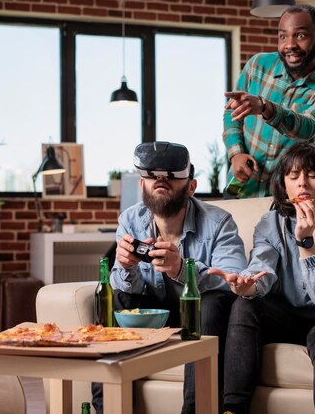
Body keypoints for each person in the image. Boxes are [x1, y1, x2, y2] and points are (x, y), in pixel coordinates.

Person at [209, 143, 315, 414]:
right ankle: (233, 410)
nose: (303, 184)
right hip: (288, 316)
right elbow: (261, 266)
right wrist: (249, 285)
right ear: (284, 185)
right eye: (293, 176)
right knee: (244, 305)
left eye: (312, 175)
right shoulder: (270, 223)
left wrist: (306, 243)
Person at [92, 141, 247, 414]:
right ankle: (107, 409)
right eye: (152, 177)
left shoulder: (220, 221)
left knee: (212, 302)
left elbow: (233, 280)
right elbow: (125, 286)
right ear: (142, 185)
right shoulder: (130, 219)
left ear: (191, 187)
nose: (160, 182)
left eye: (171, 178)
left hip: (199, 316)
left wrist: (181, 270)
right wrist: (126, 267)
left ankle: (195, 409)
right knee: (115, 298)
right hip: (155, 314)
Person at [222, 4, 315, 199]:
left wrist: (266, 108)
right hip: (241, 187)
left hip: (290, 196)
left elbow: (307, 127)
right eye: (283, 36)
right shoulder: (257, 65)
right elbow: (231, 114)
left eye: (300, 36)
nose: (289, 44)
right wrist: (236, 153)